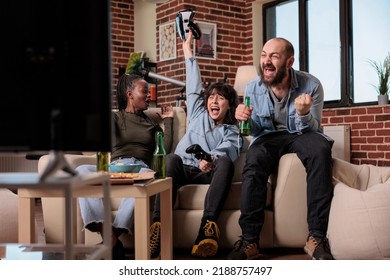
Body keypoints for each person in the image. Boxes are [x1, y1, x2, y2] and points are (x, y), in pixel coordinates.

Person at [228, 37, 334, 260]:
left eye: (274, 56)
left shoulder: (312, 85)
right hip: (269, 136)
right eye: (264, 55)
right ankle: (249, 240)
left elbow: (314, 126)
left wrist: (304, 113)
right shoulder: (253, 87)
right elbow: (255, 130)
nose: (266, 61)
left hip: (302, 133)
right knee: (254, 158)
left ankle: (316, 237)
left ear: (289, 61)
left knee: (320, 149)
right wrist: (243, 118)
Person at [151, 31, 242, 259]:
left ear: (229, 105)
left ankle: (207, 229)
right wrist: (187, 49)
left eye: (220, 98)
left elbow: (229, 149)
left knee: (225, 163)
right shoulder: (197, 112)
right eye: (211, 96)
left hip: (207, 173)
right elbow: (193, 82)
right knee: (171, 158)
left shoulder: (232, 131)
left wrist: (210, 158)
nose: (214, 100)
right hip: (183, 168)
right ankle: (157, 227)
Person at [78, 73, 174, 259]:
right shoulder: (115, 118)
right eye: (144, 91)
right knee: (81, 171)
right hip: (114, 167)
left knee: (146, 178)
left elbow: (165, 149)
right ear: (129, 94)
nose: (149, 96)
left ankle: (110, 241)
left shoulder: (151, 122)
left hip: (141, 168)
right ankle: (111, 238)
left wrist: (169, 120)